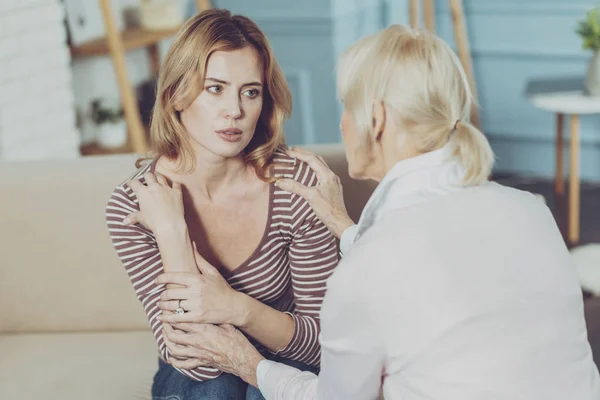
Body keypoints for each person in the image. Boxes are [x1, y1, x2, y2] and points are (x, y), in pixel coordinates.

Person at [151, 24, 600, 399]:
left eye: (347, 105)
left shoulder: (368, 268)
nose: (342, 122)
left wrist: (251, 365)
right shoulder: (532, 211)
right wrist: (347, 228)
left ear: (377, 119)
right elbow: (431, 270)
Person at [104, 9, 340, 400]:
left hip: (289, 360)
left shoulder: (295, 186)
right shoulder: (134, 205)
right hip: (200, 376)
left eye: (251, 91)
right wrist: (173, 233)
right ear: (177, 94)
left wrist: (235, 308)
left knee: (269, 390)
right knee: (213, 387)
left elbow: (327, 346)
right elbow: (193, 360)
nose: (235, 110)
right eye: (215, 88)